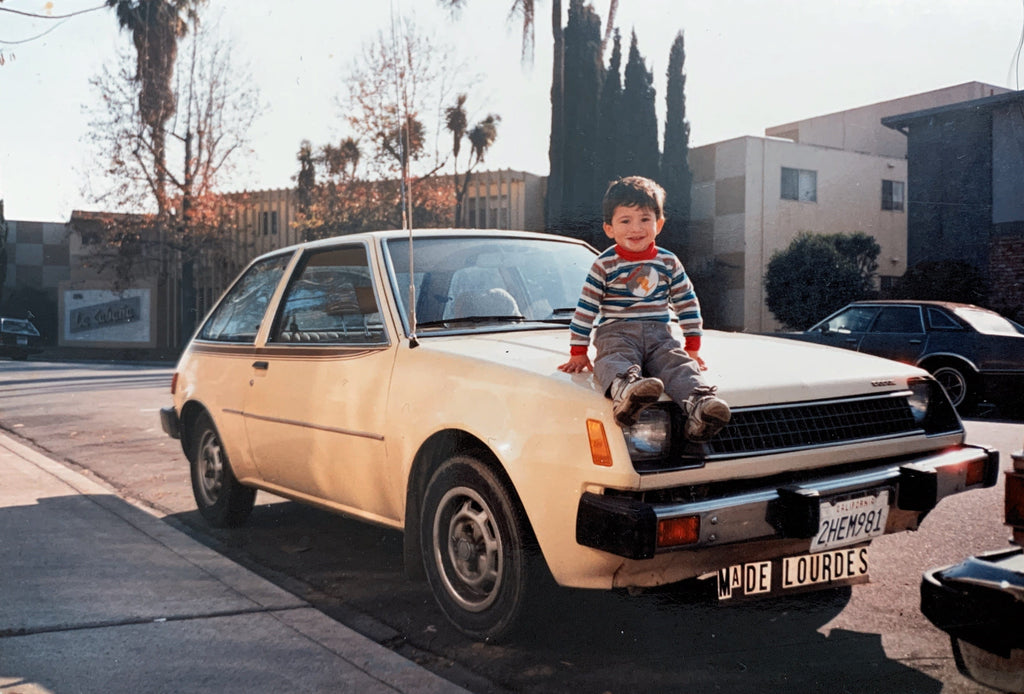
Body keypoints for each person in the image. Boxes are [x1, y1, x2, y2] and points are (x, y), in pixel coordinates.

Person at [558, 176, 731, 441]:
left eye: (644, 219)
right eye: (625, 221)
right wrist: (578, 351)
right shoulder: (604, 265)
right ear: (609, 228)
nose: (636, 228)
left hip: (660, 333)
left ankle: (700, 406)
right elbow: (586, 309)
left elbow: (686, 301)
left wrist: (693, 346)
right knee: (611, 359)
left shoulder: (668, 262)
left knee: (678, 364)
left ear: (658, 224)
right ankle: (627, 392)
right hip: (616, 333)